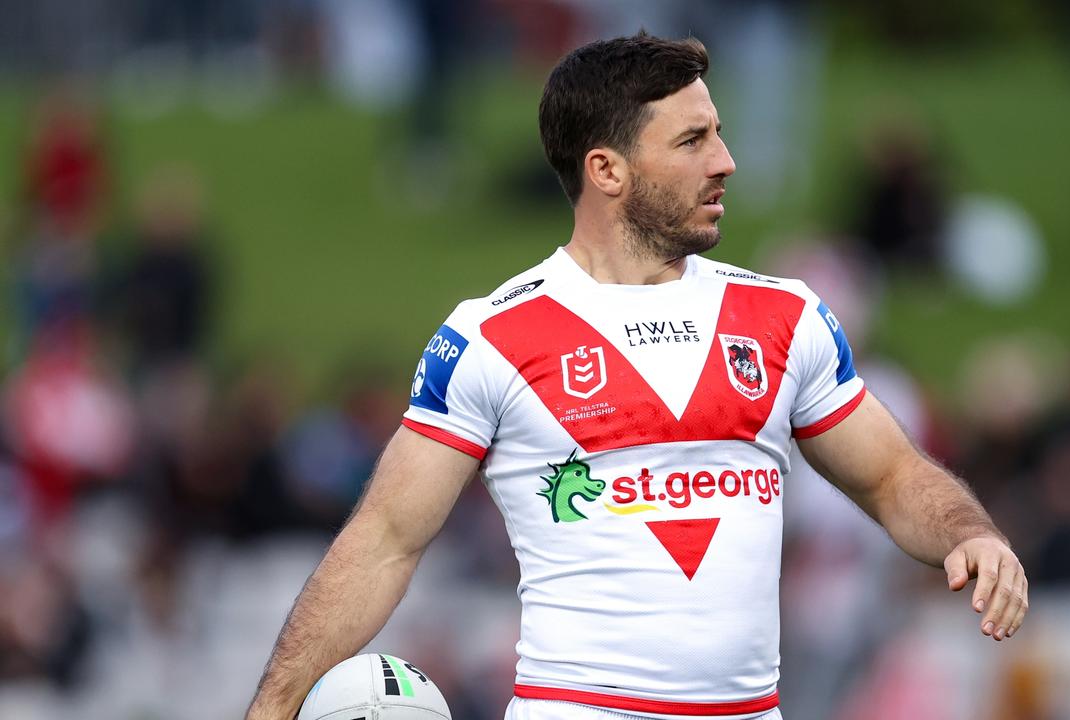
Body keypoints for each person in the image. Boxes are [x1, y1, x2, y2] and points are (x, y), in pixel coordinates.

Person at [245, 33, 1028, 720]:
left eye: (718, 134)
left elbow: (891, 477)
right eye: (692, 141)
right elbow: (384, 542)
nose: (726, 161)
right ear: (606, 171)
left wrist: (972, 532)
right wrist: (273, 706)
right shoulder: (493, 337)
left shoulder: (784, 318)